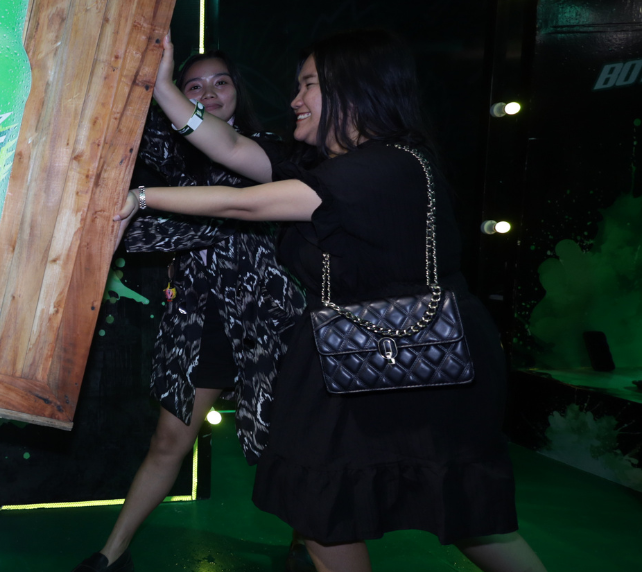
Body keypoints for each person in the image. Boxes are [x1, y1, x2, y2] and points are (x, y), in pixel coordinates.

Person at [130, 28, 546, 572]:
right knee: (325, 511)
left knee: (463, 513)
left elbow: (246, 204)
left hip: (418, 364)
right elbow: (231, 148)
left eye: (309, 85)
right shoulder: (327, 165)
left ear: (354, 89)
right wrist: (165, 88)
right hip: (353, 354)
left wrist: (141, 197)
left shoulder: (385, 166)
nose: (294, 100)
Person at [73, 37, 302, 572]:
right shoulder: (164, 156)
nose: (209, 93)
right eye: (193, 86)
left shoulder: (268, 150)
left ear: (238, 90)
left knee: (292, 440)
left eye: (220, 82)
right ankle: (112, 554)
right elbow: (131, 209)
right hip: (199, 322)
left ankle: (308, 545)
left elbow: (223, 210)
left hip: (271, 319)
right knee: (168, 441)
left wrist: (154, 211)